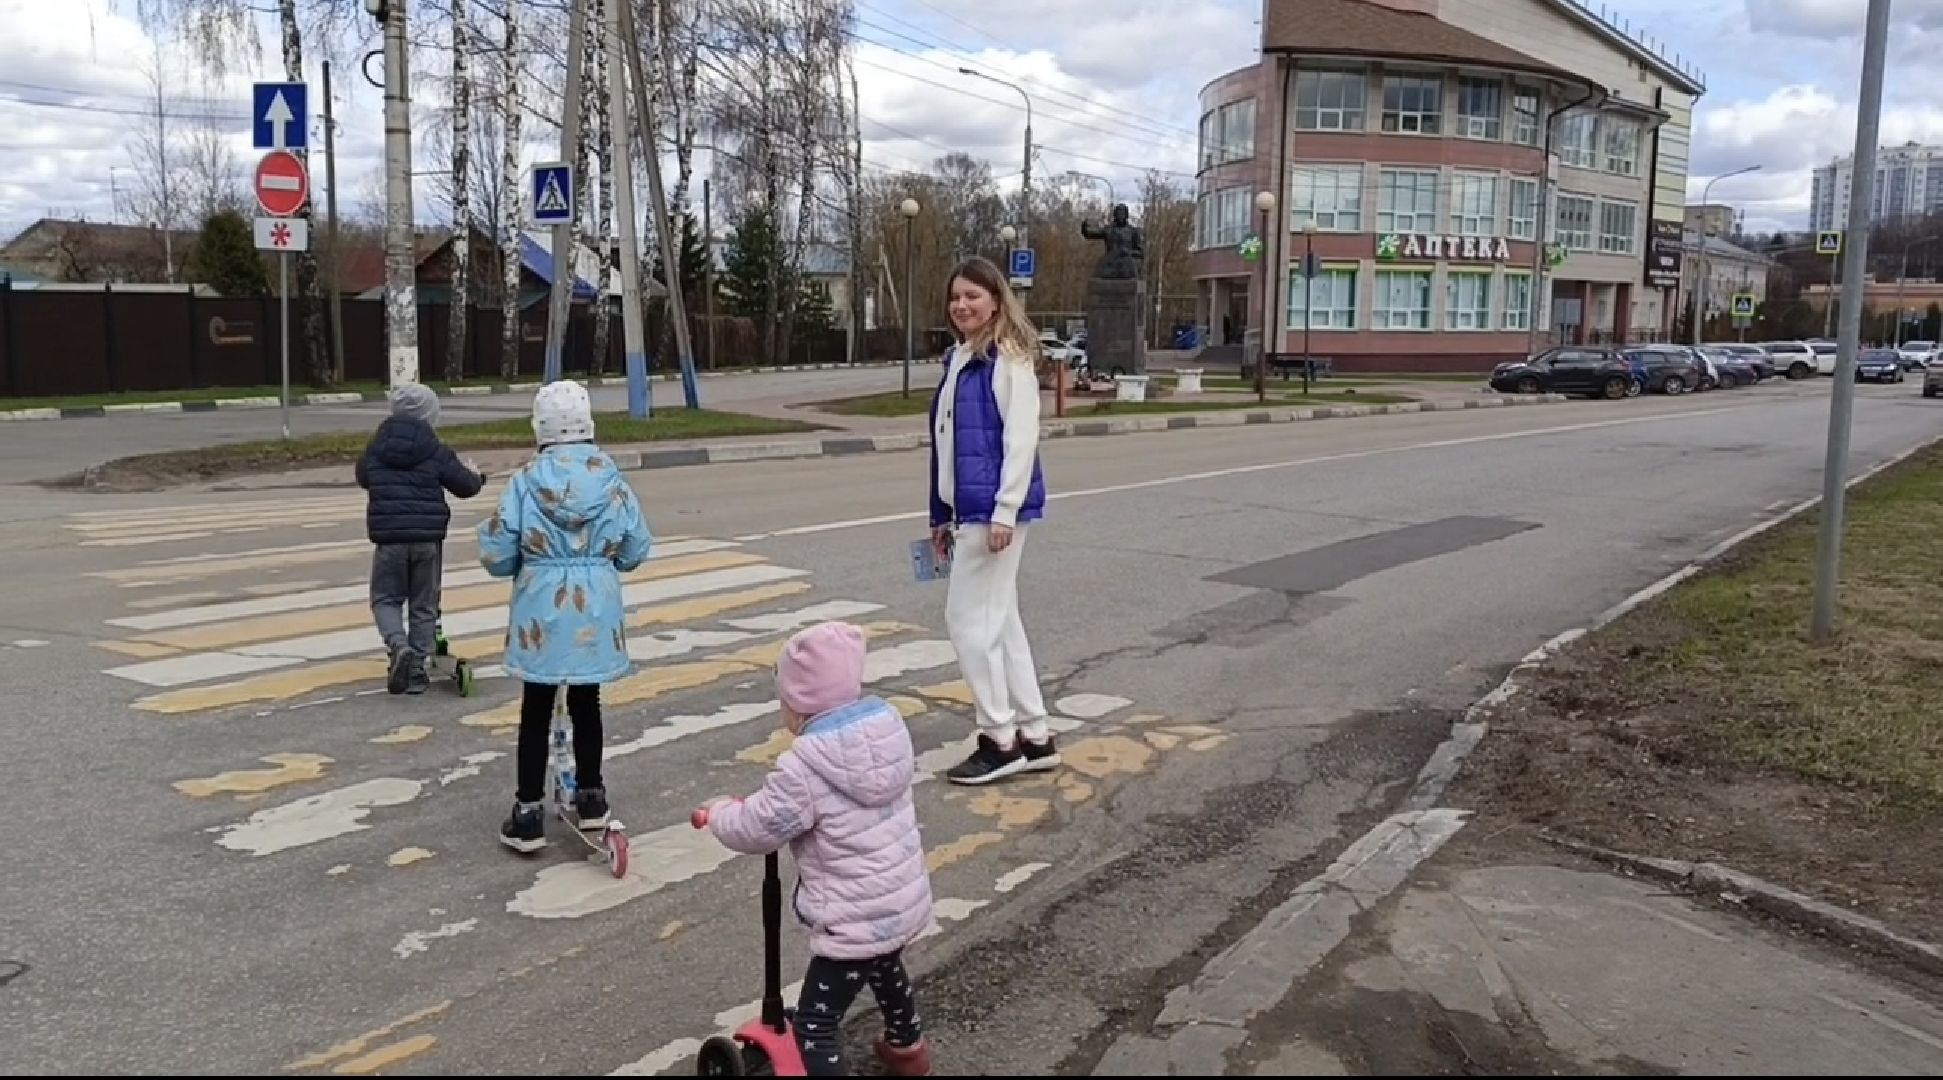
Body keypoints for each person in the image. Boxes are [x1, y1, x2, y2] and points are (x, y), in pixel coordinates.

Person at [698, 621, 934, 1077]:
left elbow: (759, 828)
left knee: (815, 1025)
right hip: (899, 901)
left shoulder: (805, 765)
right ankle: (909, 1051)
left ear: (800, 704)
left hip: (852, 916)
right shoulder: (887, 733)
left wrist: (719, 813)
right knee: (886, 965)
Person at [477, 380, 651, 851]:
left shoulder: (525, 480)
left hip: (541, 605)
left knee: (536, 707)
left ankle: (528, 812)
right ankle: (592, 798)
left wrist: (527, 561)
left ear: (541, 428)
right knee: (586, 702)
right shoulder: (611, 479)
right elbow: (636, 548)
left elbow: (496, 552)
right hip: (595, 603)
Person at [927, 256, 1057, 786]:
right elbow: (946, 444)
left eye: (973, 296)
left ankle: (999, 739)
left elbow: (1020, 440)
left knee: (966, 622)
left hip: (993, 512)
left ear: (997, 301)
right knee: (1000, 622)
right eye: (956, 297)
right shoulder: (962, 358)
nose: (962, 305)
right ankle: (1035, 733)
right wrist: (940, 514)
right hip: (970, 510)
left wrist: (1004, 510)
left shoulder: (1009, 359)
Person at [355, 383, 485, 695]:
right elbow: (465, 486)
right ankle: (416, 673)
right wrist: (476, 475)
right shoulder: (434, 448)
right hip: (427, 541)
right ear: (430, 414)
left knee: (385, 599)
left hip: (389, 540)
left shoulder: (376, 446)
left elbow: (363, 477)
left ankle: (398, 646)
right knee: (424, 604)